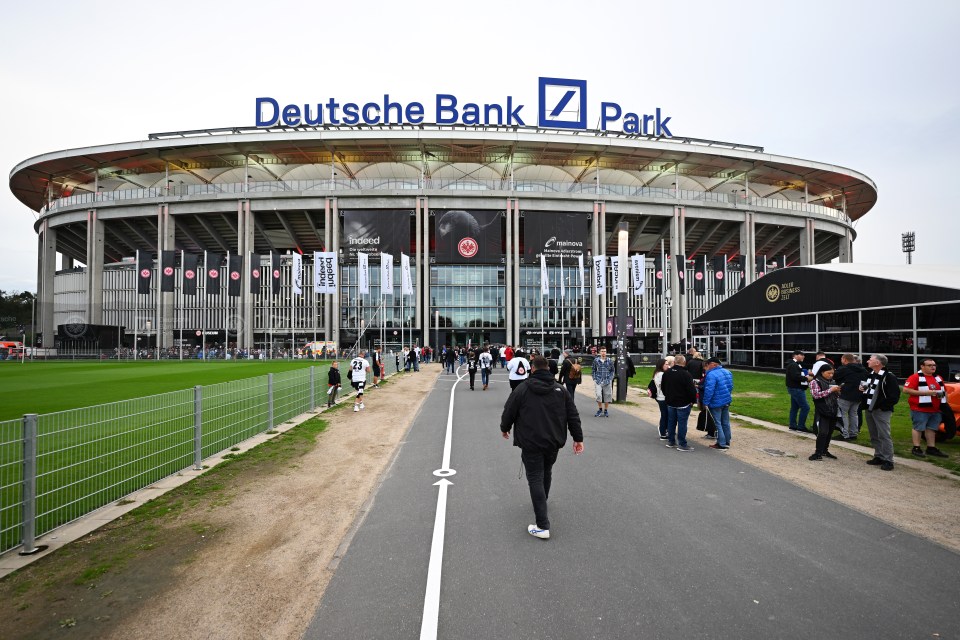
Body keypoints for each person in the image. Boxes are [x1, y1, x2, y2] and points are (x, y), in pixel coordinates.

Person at [500, 355, 583, 540]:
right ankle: (541, 501)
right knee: (546, 471)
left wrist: (504, 428)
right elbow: (573, 415)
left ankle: (542, 525)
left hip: (531, 441)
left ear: (533, 369)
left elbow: (509, 410)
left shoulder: (522, 389)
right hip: (553, 441)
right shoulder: (560, 390)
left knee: (535, 477)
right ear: (548, 369)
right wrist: (578, 438)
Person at [902, 359, 950, 459]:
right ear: (922, 366)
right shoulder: (915, 377)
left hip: (936, 409)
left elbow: (944, 391)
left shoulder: (938, 377)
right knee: (918, 428)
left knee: (932, 429)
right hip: (920, 408)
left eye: (934, 365)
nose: (933, 367)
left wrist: (945, 403)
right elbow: (906, 390)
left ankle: (931, 448)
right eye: (929, 365)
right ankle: (916, 447)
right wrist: (925, 393)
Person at [861, 353, 901, 471]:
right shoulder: (871, 375)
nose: (868, 361)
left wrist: (883, 406)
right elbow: (870, 390)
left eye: (870, 359)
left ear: (877, 363)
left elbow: (894, 396)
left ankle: (888, 460)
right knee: (874, 434)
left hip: (881, 410)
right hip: (870, 408)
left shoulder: (889, 376)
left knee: (884, 435)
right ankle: (878, 455)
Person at [661, 354, 697, 451]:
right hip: (683, 403)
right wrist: (693, 401)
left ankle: (671, 441)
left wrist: (667, 396)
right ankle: (682, 443)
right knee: (682, 423)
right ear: (684, 362)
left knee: (671, 422)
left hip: (670, 401)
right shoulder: (686, 374)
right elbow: (691, 390)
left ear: (674, 362)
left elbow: (663, 387)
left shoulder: (667, 373)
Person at [809, 364, 841, 461]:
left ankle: (824, 450)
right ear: (822, 372)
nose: (831, 375)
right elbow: (816, 395)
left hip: (833, 409)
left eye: (832, 373)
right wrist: (830, 390)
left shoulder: (832, 382)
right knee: (823, 432)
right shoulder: (815, 381)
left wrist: (838, 391)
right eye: (828, 373)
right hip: (822, 410)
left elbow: (837, 396)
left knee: (830, 431)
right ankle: (817, 452)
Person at [702, 357, 734, 451]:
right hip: (726, 400)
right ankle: (727, 441)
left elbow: (709, 390)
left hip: (716, 402)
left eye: (707, 365)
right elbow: (730, 386)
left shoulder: (711, 375)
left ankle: (721, 443)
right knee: (725, 422)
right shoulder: (727, 372)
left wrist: (706, 402)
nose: (706, 367)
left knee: (718, 423)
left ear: (712, 364)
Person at [834, 353, 867, 440]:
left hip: (845, 395)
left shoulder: (844, 368)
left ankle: (844, 434)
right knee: (854, 414)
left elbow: (834, 376)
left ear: (845, 359)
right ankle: (853, 433)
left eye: (842, 359)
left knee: (842, 414)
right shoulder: (863, 369)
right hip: (858, 395)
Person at [785, 350, 811, 432]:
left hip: (794, 388)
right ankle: (801, 426)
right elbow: (795, 377)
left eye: (803, 355)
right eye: (801, 355)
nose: (803, 356)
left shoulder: (795, 364)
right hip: (796, 388)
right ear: (795, 355)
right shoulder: (793, 365)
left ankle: (793, 425)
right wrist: (807, 378)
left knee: (795, 407)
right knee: (805, 407)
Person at [652, 356, 674, 441]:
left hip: (661, 396)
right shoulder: (661, 374)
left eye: (668, 364)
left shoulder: (657, 373)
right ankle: (663, 432)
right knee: (665, 415)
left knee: (665, 414)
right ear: (661, 365)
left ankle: (664, 431)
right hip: (662, 397)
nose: (668, 366)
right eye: (666, 364)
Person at [591, 346, 615, 418]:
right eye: (602, 351)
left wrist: (610, 378)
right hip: (598, 380)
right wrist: (594, 378)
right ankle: (600, 409)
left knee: (607, 395)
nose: (603, 353)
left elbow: (612, 370)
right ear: (599, 352)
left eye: (604, 351)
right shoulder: (596, 360)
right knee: (598, 395)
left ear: (606, 352)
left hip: (607, 380)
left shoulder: (610, 360)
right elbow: (593, 370)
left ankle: (606, 410)